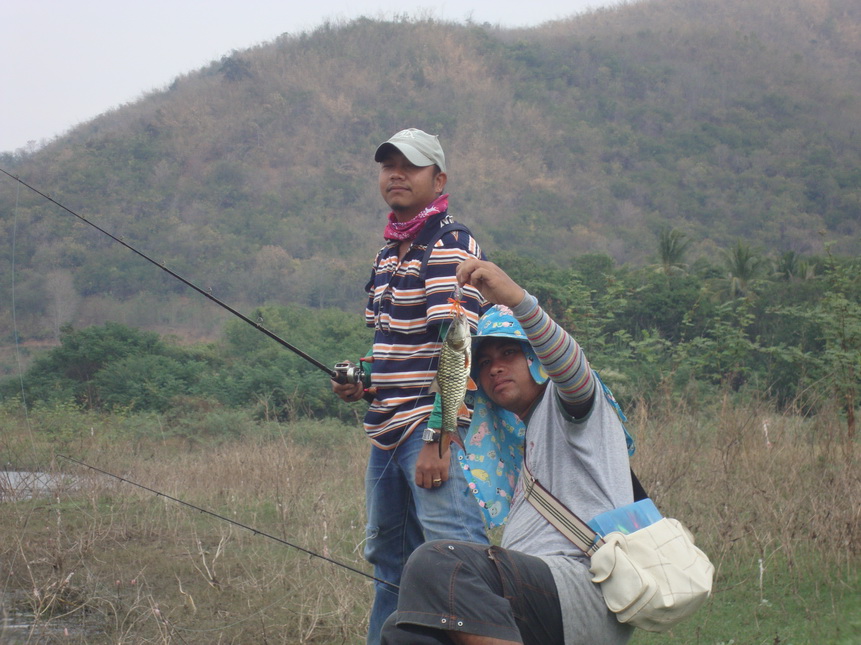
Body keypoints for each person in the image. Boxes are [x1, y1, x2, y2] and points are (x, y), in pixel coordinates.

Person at [379, 258, 636, 645]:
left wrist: (516, 299)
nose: (495, 368)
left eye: (508, 354)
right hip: (533, 598)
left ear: (535, 358)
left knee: (437, 561)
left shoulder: (573, 408)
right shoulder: (522, 442)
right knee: (402, 630)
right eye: (483, 362)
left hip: (584, 591)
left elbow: (570, 366)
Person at [332, 128, 489, 645]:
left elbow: (459, 347)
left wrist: (439, 438)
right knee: (391, 563)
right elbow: (396, 347)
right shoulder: (387, 254)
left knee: (454, 561)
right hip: (386, 433)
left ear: (438, 179)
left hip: (428, 433)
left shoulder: (449, 244)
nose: (395, 174)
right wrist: (365, 380)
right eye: (387, 165)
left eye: (410, 166)